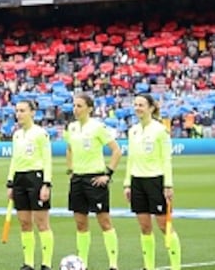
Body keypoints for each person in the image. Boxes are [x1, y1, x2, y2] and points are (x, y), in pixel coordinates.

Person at [64, 93, 121, 270]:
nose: (76, 109)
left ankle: (113, 264)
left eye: (79, 106)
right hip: (78, 180)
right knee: (80, 223)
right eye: (74, 105)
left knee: (104, 222)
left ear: (89, 108)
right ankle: (83, 264)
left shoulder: (97, 127)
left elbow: (116, 151)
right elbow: (69, 149)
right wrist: (71, 169)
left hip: (95, 179)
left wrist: (108, 174)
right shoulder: (71, 127)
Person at [124, 93, 181, 270]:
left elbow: (166, 159)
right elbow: (131, 159)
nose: (137, 108)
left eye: (141, 105)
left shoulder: (160, 130)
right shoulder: (132, 131)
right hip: (137, 181)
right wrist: (127, 183)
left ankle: (175, 266)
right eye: (135, 105)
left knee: (164, 225)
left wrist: (168, 185)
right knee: (144, 226)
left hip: (156, 181)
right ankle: (148, 266)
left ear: (151, 108)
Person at [7, 100, 54, 270]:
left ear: (32, 112)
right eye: (17, 111)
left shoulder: (41, 133)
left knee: (41, 222)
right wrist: (10, 182)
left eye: (22, 110)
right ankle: (28, 263)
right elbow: (14, 159)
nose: (19, 114)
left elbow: (47, 159)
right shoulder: (17, 134)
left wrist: (46, 183)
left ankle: (46, 263)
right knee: (24, 222)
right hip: (19, 178)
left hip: (36, 178)